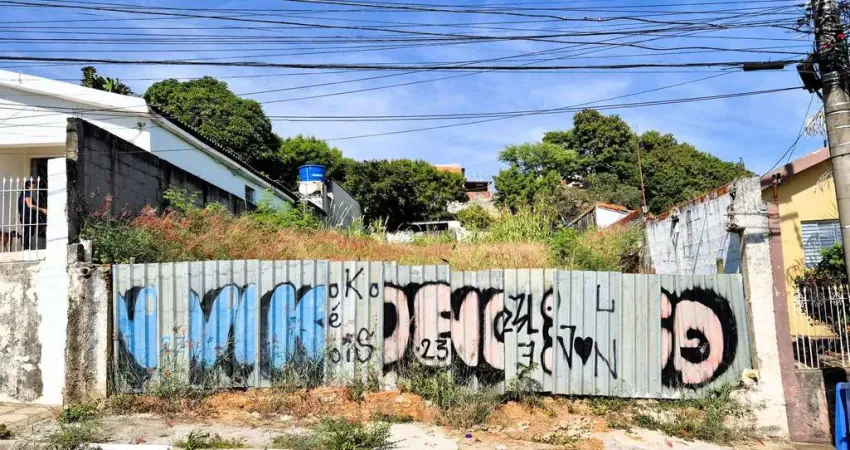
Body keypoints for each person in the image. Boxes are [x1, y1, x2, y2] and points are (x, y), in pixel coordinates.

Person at [18, 180, 47, 250]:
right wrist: (42, 209)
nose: (34, 187)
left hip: (25, 216)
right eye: (33, 185)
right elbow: (30, 205)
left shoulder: (23, 193)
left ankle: (25, 247)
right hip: (27, 216)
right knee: (27, 233)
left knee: (27, 232)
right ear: (29, 186)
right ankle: (26, 248)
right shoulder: (27, 192)